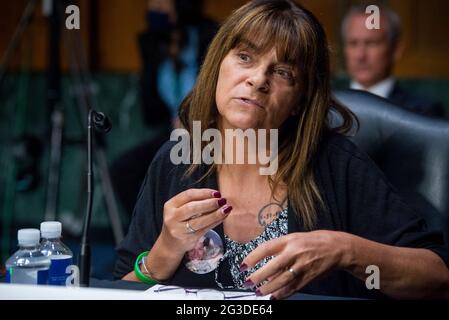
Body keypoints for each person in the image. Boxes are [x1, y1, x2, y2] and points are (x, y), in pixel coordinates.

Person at [114, 0, 449, 299]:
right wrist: (159, 258)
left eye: (283, 72)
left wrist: (345, 250)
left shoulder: (335, 163)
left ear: (299, 101)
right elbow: (118, 287)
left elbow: (438, 277)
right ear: (218, 65)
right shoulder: (178, 162)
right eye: (245, 57)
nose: (258, 79)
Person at [110, 0, 217, 217]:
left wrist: (195, 116)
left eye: (161, 2)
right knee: (123, 170)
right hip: (174, 132)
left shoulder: (211, 35)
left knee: (189, 173)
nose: (153, 7)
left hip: (211, 129)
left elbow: (220, 86)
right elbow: (151, 105)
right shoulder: (153, 42)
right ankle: (151, 231)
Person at [342, 5, 445, 117]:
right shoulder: (327, 106)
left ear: (395, 50)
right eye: (353, 43)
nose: (360, 55)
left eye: (371, 43)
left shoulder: (421, 112)